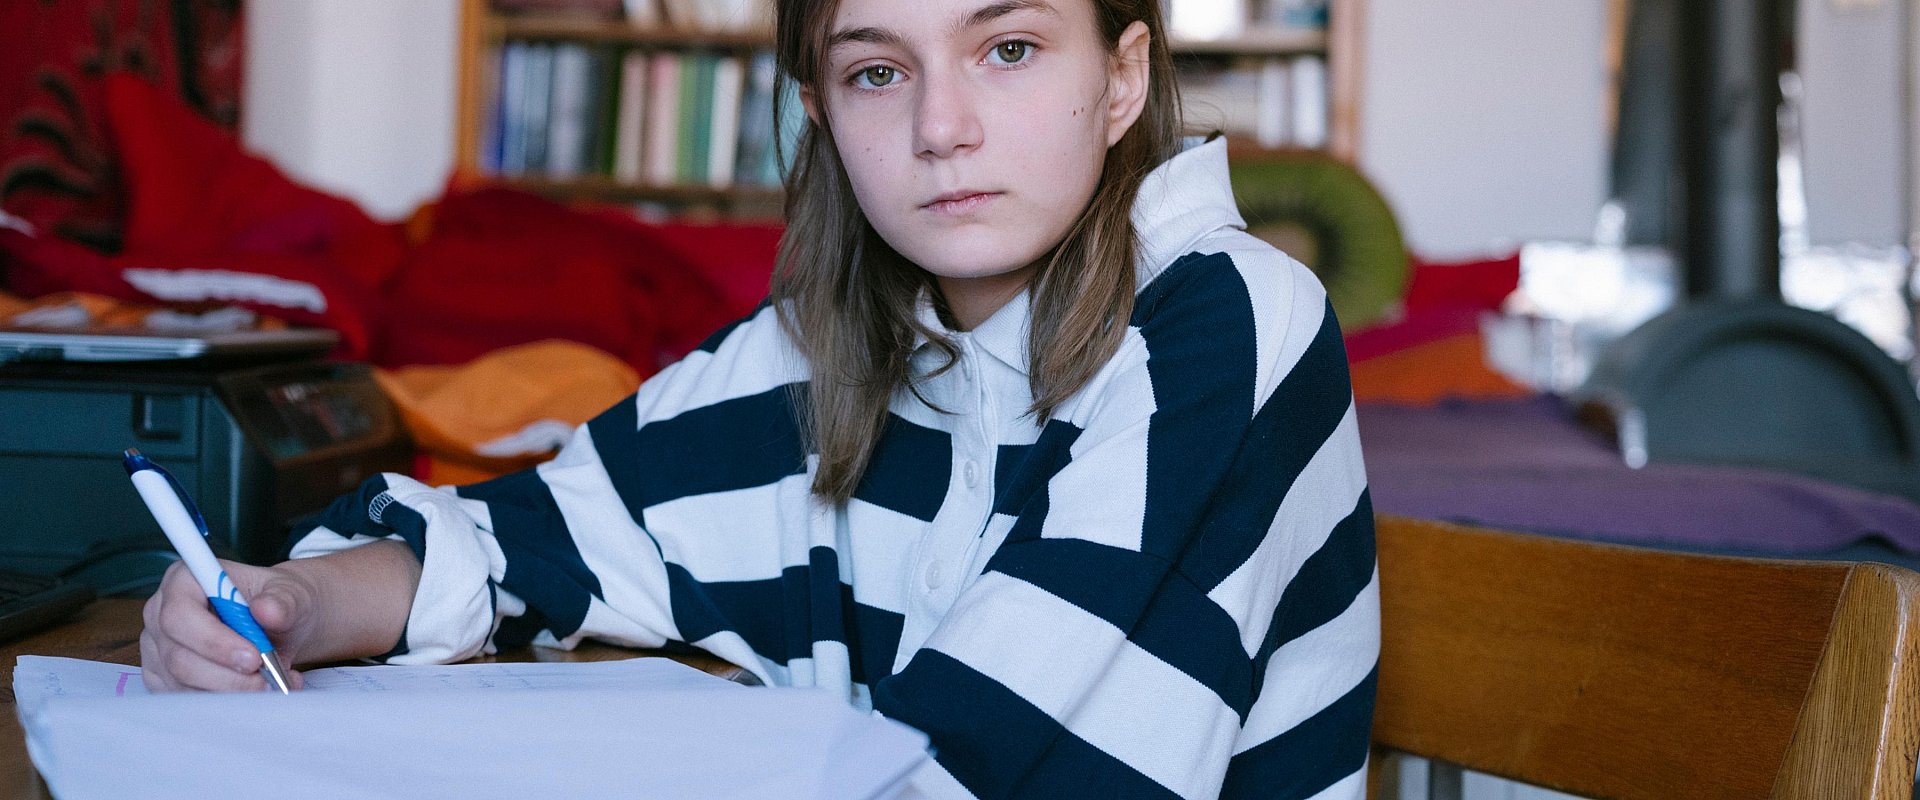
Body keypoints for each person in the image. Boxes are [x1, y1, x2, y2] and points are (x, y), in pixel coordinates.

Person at [140, 0, 1379, 796]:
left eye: (1008, 49)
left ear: (1121, 78)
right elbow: (533, 535)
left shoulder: (1231, 318)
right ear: (821, 113)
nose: (942, 126)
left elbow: (981, 757)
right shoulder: (816, 348)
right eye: (878, 71)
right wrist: (291, 604)